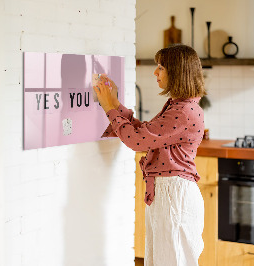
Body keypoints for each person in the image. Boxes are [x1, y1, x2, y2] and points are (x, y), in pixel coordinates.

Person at [94, 44, 206, 266]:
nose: (155, 72)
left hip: (174, 195)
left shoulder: (183, 111)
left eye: (161, 67)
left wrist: (109, 108)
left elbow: (137, 141)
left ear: (177, 72)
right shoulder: (179, 106)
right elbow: (145, 133)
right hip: (169, 193)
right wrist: (115, 104)